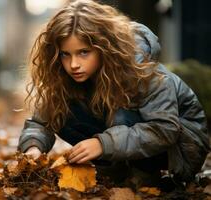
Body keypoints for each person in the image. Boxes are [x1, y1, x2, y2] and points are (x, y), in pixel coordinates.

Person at [18, 0, 209, 182]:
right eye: (65, 55)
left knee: (121, 106)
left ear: (104, 47)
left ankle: (142, 173)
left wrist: (103, 144)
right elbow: (41, 122)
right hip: (131, 144)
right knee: (59, 106)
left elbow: (165, 129)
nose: (73, 64)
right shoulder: (70, 77)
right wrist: (33, 148)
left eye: (83, 52)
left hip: (180, 149)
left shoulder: (143, 72)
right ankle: (120, 170)